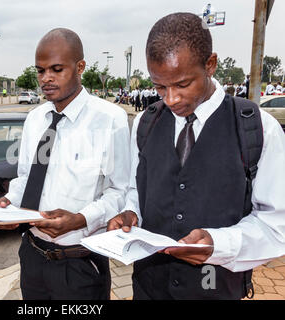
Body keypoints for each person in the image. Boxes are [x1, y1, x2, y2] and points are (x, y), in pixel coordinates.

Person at [108, 12, 285, 300]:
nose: (170, 99)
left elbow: (276, 226)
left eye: (182, 84)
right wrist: (131, 214)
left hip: (215, 288)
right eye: (159, 86)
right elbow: (136, 190)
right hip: (149, 288)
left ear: (210, 65)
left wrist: (219, 243)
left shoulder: (258, 128)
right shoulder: (145, 123)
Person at [0, 28, 130, 300]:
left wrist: (80, 219)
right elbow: (26, 178)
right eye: (40, 71)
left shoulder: (110, 119)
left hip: (80, 264)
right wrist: (8, 205)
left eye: (56, 69)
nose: (46, 79)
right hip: (32, 256)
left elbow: (120, 191)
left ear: (80, 67)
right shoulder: (35, 119)